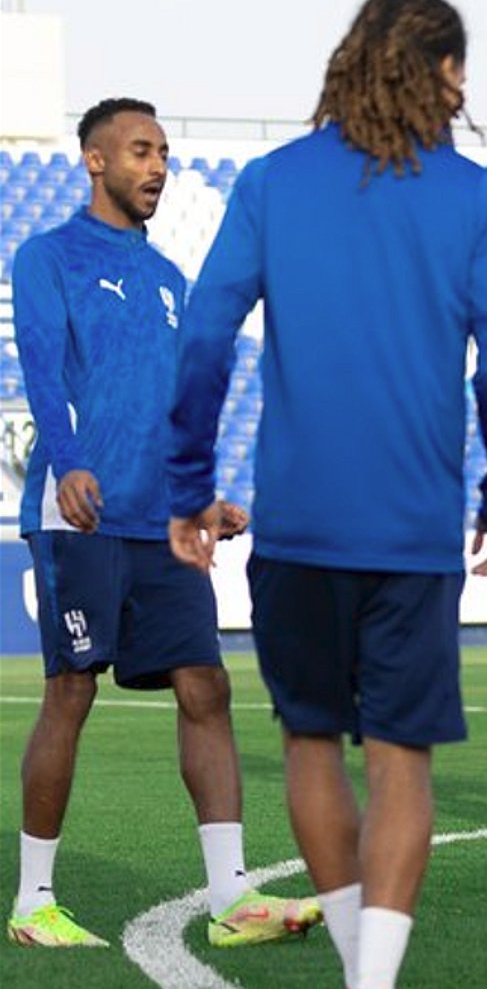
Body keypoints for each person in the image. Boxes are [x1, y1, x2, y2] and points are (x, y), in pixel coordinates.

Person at [167, 0, 487, 989]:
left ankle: (354, 971)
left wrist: (188, 483)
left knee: (311, 744)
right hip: (412, 529)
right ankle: (373, 981)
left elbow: (205, 337)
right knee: (400, 760)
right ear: (444, 70)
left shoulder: (272, 181)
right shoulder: (478, 197)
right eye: (461, 68)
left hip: (298, 525)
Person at [7, 98, 320, 949]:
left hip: (162, 522)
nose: (157, 167)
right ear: (94, 160)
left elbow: (179, 407)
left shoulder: (168, 280)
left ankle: (233, 898)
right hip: (80, 513)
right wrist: (70, 460)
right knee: (72, 691)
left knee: (205, 687)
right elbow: (42, 370)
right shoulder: (48, 256)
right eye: (141, 151)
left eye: (165, 153)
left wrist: (200, 497)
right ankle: (34, 904)